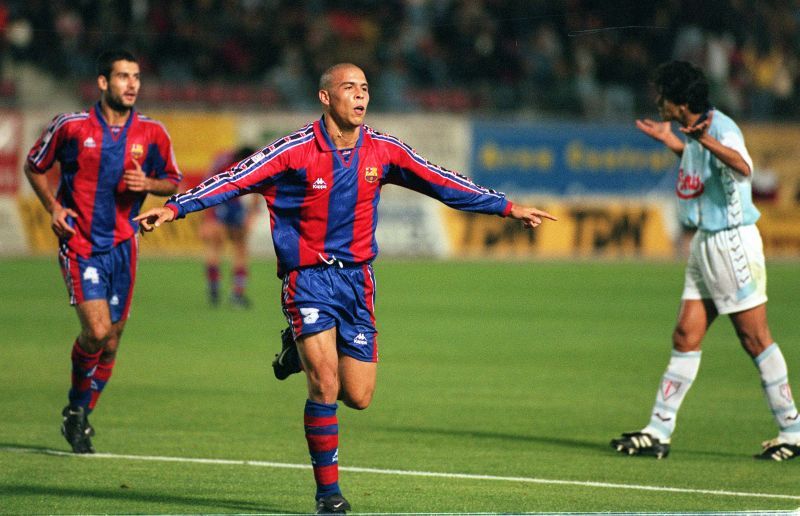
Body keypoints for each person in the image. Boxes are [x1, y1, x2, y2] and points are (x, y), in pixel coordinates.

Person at [135, 63, 556, 513]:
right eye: (350, 88)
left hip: (358, 280)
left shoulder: (383, 150)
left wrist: (506, 207)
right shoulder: (293, 150)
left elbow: (441, 181)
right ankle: (328, 496)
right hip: (308, 278)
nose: (360, 96)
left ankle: (295, 351)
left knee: (358, 396)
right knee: (325, 385)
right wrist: (175, 209)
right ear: (325, 97)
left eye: (366, 89)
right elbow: (233, 179)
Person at [611, 60, 799, 461]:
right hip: (705, 245)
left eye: (663, 95)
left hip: (731, 245)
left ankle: (792, 430)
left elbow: (743, 167)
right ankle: (658, 430)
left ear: (679, 102)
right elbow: (705, 169)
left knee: (755, 339)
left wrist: (706, 142)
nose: (658, 101)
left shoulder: (722, 129)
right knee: (685, 336)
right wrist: (675, 143)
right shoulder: (695, 131)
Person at [24, 50, 182, 454]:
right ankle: (78, 410)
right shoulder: (72, 126)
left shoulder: (152, 133)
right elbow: (35, 165)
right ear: (102, 82)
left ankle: (78, 412)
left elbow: (172, 183)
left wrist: (148, 183)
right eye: (123, 76)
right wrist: (54, 208)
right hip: (80, 243)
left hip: (124, 245)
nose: (132, 84)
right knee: (95, 331)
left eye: (137, 77)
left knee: (110, 341)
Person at [199, 145, 257, 308]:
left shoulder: (221, 159)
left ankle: (214, 286)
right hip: (235, 205)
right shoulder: (248, 163)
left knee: (215, 247)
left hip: (220, 204)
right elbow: (260, 188)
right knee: (240, 250)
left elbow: (206, 183)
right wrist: (251, 214)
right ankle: (237, 293)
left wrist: (208, 216)